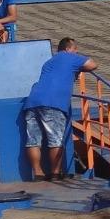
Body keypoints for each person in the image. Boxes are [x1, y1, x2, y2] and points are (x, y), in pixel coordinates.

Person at [22, 37, 97, 181]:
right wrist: (79, 67)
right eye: (76, 50)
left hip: (33, 101)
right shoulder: (70, 57)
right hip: (53, 103)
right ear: (68, 49)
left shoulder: (49, 62)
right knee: (55, 139)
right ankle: (56, 173)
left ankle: (38, 173)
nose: (76, 53)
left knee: (33, 140)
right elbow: (93, 65)